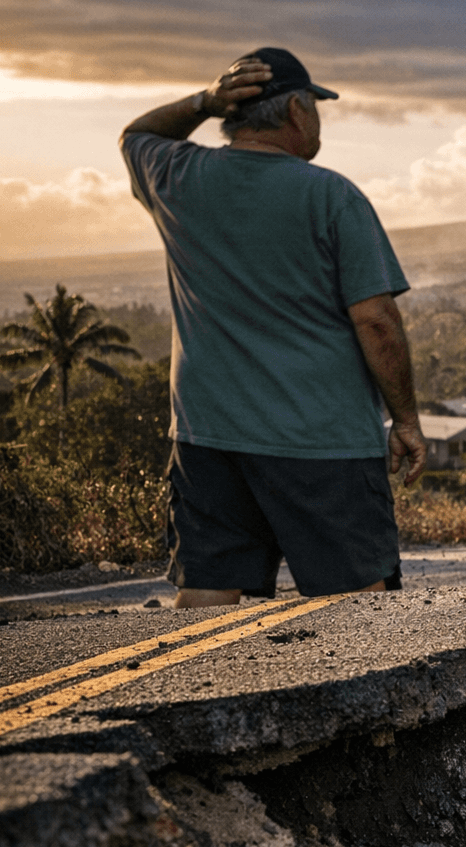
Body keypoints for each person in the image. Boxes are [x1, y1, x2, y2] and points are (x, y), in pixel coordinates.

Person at [120, 47, 426, 607]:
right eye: (315, 106)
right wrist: (405, 419)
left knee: (209, 590)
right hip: (322, 440)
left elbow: (135, 135)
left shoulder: (179, 178)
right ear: (296, 112)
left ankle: (196, 696)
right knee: (359, 602)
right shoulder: (331, 195)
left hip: (207, 436)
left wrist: (203, 102)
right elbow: (377, 321)